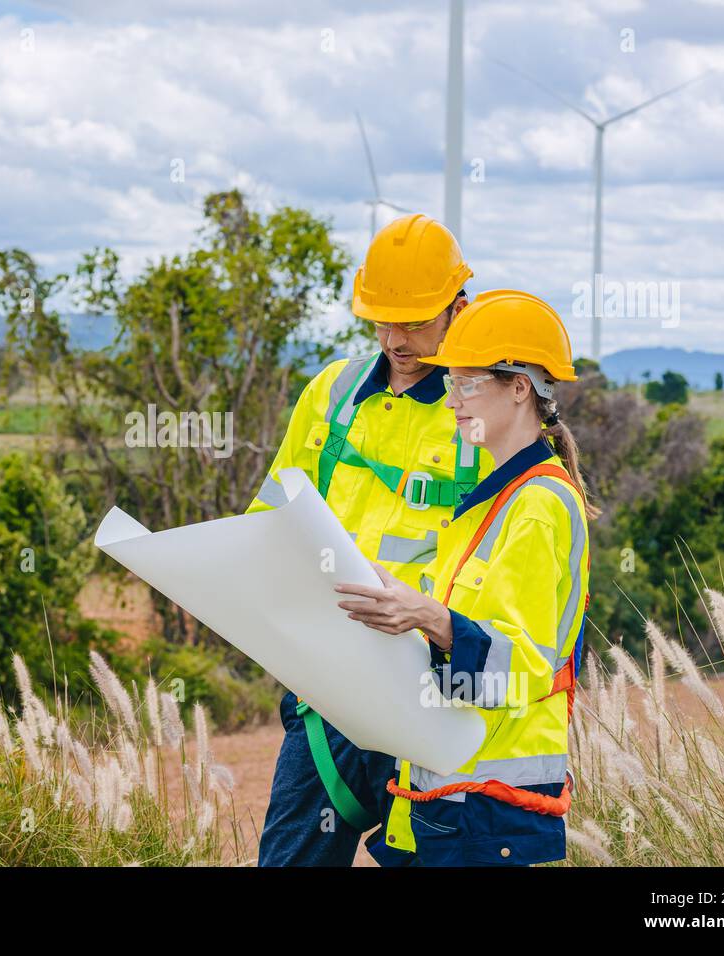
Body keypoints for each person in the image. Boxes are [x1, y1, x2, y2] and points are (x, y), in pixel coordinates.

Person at [249, 213, 494, 867]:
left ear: (458, 308)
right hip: (327, 689)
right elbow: (271, 515)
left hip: (432, 699)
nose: (394, 338)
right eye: (381, 320)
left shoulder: (488, 412)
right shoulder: (330, 395)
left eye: (412, 321)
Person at [334, 289, 597, 866]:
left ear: (519, 387)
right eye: (450, 383)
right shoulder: (485, 501)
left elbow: (522, 665)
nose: (451, 401)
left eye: (467, 384)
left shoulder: (539, 505)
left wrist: (426, 615)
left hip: (494, 805)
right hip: (447, 792)